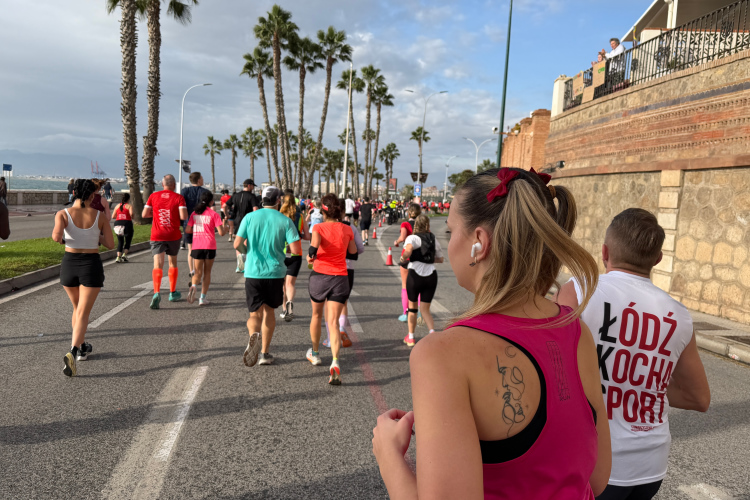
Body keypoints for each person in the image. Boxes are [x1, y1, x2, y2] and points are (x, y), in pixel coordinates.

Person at [372, 167, 611, 499]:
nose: (448, 241)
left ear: (479, 243)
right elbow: (597, 477)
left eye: (451, 230)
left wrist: (388, 455)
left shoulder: (443, 354)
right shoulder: (575, 330)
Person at [557, 208, 710, 500]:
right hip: (650, 468)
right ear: (657, 259)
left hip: (594, 464)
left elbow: (555, 373)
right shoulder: (679, 315)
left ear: (604, 251)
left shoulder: (579, 291)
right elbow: (699, 398)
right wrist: (639, 384)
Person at [52, 179, 115, 377]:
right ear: (92, 196)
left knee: (77, 309)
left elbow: (56, 237)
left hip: (69, 264)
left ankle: (81, 348)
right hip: (90, 265)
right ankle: (73, 351)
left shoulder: (62, 214)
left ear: (74, 193)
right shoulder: (99, 216)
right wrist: (95, 236)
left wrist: (69, 237)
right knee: (83, 312)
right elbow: (111, 244)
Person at [234, 186, 301, 367]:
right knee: (269, 311)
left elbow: (237, 243)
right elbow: (296, 250)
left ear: (262, 199)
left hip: (253, 272)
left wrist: (247, 252)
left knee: (254, 313)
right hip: (275, 272)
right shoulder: (285, 220)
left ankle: (253, 335)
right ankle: (264, 353)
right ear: (278, 200)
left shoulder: (249, 217)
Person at [305, 194, 358, 385]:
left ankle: (315, 354)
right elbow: (353, 252)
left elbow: (313, 249)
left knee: (316, 316)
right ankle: (335, 361)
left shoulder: (318, 227)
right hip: (340, 278)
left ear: (323, 211)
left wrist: (310, 257)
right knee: (333, 322)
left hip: (320, 276)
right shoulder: (347, 229)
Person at [143, 174, 188, 309]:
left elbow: (144, 214)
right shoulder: (179, 198)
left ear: (162, 184)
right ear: (174, 185)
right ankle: (172, 292)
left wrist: (157, 214)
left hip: (157, 234)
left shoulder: (153, 196)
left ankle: (156, 292)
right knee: (172, 262)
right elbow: (183, 216)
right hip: (173, 234)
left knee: (158, 264)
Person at [398, 214, 444, 347]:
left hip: (415, 276)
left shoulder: (413, 238)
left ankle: (411, 337)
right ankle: (432, 333)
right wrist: (427, 259)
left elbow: (408, 250)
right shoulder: (433, 239)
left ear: (416, 225)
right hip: (431, 276)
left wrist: (404, 258)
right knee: (425, 309)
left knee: (412, 308)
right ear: (428, 225)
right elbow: (440, 259)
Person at [186, 191, 226, 306]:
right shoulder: (214, 214)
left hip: (197, 246)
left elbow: (188, 230)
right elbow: (221, 233)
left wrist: (197, 230)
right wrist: (226, 228)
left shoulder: (194, 213)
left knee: (197, 272)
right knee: (207, 272)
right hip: (209, 246)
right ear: (211, 202)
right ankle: (202, 298)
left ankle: (194, 286)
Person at [280, 191, 311, 321]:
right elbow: (307, 236)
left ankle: (284, 309)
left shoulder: (279, 216)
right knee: (290, 283)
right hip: (296, 252)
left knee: (283, 284)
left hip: (281, 252)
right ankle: (290, 303)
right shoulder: (301, 216)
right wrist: (299, 235)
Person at [394, 204, 422, 322]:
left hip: (407, 257)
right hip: (419, 257)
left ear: (409, 213)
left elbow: (402, 237)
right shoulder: (422, 225)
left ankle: (405, 312)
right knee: (419, 285)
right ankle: (420, 312)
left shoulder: (405, 224)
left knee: (405, 285)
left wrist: (396, 242)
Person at [180, 172, 210, 280]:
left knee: (190, 248)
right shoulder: (206, 192)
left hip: (188, 222)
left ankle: (192, 270)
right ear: (198, 180)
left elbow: (181, 206)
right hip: (202, 223)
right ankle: (198, 272)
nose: (203, 179)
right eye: (202, 178)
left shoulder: (184, 191)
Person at [226, 179, 260, 273]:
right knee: (247, 242)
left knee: (238, 242)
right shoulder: (252, 196)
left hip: (237, 222)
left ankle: (239, 265)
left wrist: (227, 215)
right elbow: (255, 209)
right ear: (249, 185)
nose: (253, 188)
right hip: (249, 222)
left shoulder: (235, 195)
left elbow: (225, 205)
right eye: (252, 186)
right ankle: (247, 263)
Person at [112, 193, 134, 263]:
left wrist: (120, 216)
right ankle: (124, 254)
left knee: (120, 241)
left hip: (118, 223)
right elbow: (131, 214)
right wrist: (131, 216)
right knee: (128, 240)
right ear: (128, 199)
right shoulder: (129, 206)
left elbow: (113, 216)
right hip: (127, 223)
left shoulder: (117, 206)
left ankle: (118, 257)